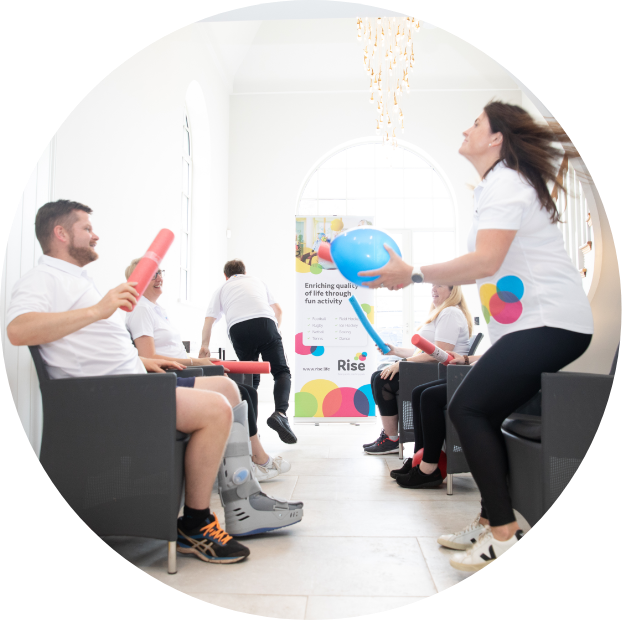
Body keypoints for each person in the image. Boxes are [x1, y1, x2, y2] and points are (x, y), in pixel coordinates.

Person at [358, 101, 593, 571]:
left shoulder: (507, 182)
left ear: (496, 138)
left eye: (477, 123)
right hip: (537, 325)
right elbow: (485, 263)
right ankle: (489, 520)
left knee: (467, 407)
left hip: (552, 322)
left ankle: (504, 532)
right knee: (479, 409)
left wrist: (413, 273)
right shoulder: (496, 185)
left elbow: (485, 262)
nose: (466, 130)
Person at [6, 200, 302, 562]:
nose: (95, 235)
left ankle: (244, 499)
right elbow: (18, 330)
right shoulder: (43, 278)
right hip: (111, 396)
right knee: (216, 409)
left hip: (131, 382)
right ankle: (196, 524)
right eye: (87, 228)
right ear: (61, 233)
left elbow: (91, 348)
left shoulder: (77, 280)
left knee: (227, 389)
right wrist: (100, 310)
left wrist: (143, 360)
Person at [124, 257, 291, 482]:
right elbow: (149, 357)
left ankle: (250, 458)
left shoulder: (155, 309)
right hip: (172, 376)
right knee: (245, 391)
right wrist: (197, 363)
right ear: (138, 280)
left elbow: (188, 339)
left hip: (185, 367)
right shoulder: (141, 310)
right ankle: (259, 458)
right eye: (152, 274)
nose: (159, 277)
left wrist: (200, 358)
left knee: (249, 391)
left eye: (160, 272)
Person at [363, 284, 472, 455]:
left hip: (440, 373)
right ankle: (390, 435)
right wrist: (395, 351)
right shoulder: (441, 313)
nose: (433, 289)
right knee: (378, 375)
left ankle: (391, 439)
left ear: (452, 290)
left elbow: (439, 354)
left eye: (439, 285)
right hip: (430, 370)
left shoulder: (450, 313)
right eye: (433, 285)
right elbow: (421, 352)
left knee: (382, 379)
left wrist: (402, 363)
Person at [199, 259, 296, 444]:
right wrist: (274, 332)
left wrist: (205, 345)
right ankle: (280, 413)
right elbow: (278, 311)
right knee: (281, 372)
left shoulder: (222, 288)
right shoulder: (257, 281)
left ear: (226, 276)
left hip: (238, 329)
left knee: (251, 378)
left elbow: (209, 320)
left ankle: (252, 432)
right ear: (244, 272)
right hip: (265, 322)